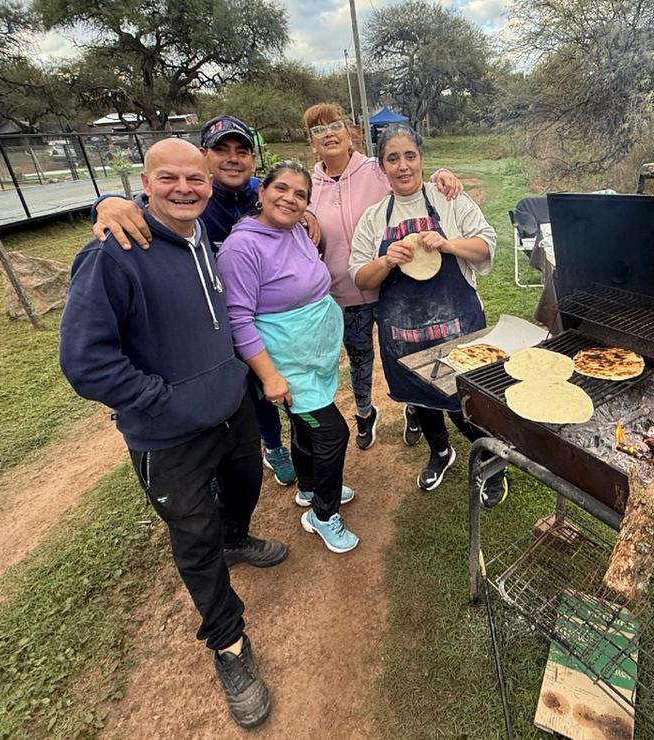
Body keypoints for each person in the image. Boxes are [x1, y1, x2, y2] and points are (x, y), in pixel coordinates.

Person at [59, 138, 285, 730]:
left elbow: (267, 201)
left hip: (230, 410)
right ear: (144, 182)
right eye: (168, 178)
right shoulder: (112, 254)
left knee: (245, 488)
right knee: (194, 535)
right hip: (167, 436)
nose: (184, 188)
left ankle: (237, 539)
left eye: (194, 178)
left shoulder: (201, 234)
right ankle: (228, 644)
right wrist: (163, 402)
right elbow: (86, 362)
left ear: (208, 182)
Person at [92, 115, 306, 488]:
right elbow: (149, 204)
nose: (233, 158)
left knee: (271, 386)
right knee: (248, 393)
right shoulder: (193, 202)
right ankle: (272, 447)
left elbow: (286, 197)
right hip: (214, 323)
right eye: (221, 150)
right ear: (205, 157)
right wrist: (106, 203)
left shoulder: (256, 192)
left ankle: (286, 452)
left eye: (242, 151)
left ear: (252, 161)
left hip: (263, 319)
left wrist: (307, 213)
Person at [349, 124, 508, 507]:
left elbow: (487, 244)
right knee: (421, 399)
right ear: (382, 167)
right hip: (404, 337)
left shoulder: (449, 199)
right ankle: (440, 452)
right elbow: (359, 277)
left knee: (469, 404)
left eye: (410, 156)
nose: (402, 166)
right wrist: (386, 261)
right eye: (392, 158)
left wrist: (449, 244)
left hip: (459, 329)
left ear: (422, 158)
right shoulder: (374, 217)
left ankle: (492, 463)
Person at [302, 102, 463, 452]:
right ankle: (364, 412)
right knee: (359, 357)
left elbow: (412, 175)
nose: (328, 134)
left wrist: (442, 173)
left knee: (407, 354)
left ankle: (415, 408)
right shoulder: (308, 187)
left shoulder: (374, 170)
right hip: (347, 290)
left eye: (335, 125)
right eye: (318, 129)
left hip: (397, 290)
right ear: (312, 142)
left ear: (351, 133)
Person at [217, 160, 360, 553]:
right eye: (281, 188)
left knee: (304, 425)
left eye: (300, 194)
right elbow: (238, 320)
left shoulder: (295, 229)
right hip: (287, 367)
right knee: (332, 434)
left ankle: (310, 487)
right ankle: (323, 515)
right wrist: (270, 376)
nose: (290, 199)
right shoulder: (240, 248)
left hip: (310, 359)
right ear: (261, 192)